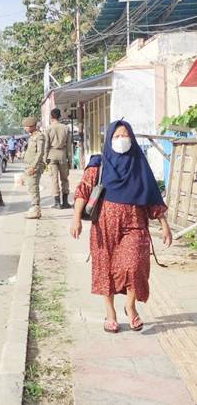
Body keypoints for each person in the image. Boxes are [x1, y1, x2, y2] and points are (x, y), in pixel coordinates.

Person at [70, 120, 172, 333]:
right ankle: (110, 314)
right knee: (105, 268)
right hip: (104, 227)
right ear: (108, 139)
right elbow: (83, 190)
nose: (121, 140)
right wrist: (76, 218)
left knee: (134, 265)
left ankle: (130, 307)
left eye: (125, 136)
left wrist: (164, 224)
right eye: (116, 136)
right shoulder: (99, 164)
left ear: (132, 138)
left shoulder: (139, 164)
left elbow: (152, 195)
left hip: (135, 225)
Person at [45, 108, 72, 209]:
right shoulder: (65, 128)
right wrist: (69, 158)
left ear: (51, 117)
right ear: (60, 116)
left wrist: (45, 158)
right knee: (65, 179)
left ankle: (57, 203)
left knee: (54, 179)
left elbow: (46, 145)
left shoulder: (48, 128)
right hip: (62, 154)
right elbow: (69, 145)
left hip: (51, 154)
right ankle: (65, 202)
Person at [22, 116, 46, 219]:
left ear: (32, 126)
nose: (25, 128)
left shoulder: (39, 136)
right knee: (31, 188)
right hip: (28, 166)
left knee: (34, 188)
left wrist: (33, 166)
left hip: (34, 167)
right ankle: (34, 209)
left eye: (26, 126)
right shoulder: (32, 137)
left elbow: (40, 152)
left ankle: (36, 210)